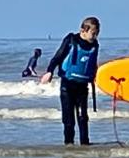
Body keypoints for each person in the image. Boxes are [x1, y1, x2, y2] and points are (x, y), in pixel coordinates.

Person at [40, 17, 100, 145]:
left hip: (83, 87)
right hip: (67, 86)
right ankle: (69, 146)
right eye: (93, 33)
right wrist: (49, 71)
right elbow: (57, 57)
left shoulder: (95, 45)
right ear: (83, 30)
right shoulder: (71, 40)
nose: (95, 36)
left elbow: (93, 64)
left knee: (83, 118)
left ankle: (85, 145)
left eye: (97, 33)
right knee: (69, 121)